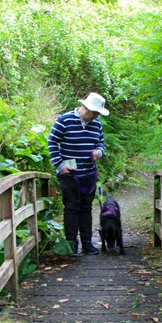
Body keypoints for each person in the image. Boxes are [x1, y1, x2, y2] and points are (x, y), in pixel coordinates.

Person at [47, 92, 108, 255]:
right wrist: (59, 165)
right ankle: (72, 243)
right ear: (87, 108)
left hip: (89, 174)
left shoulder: (97, 124)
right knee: (72, 208)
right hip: (69, 175)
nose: (96, 116)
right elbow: (52, 142)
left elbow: (101, 143)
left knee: (86, 208)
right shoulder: (64, 120)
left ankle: (87, 243)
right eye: (95, 113)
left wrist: (98, 152)